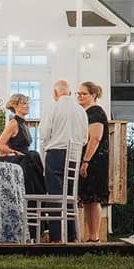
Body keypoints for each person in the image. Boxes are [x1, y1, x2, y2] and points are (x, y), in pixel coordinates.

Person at [39, 79, 85, 241]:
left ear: (55, 93)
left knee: (55, 196)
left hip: (56, 154)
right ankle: (72, 235)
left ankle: (57, 236)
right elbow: (84, 138)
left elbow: (44, 134)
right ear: (70, 92)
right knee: (70, 195)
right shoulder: (80, 110)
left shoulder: (53, 108)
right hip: (74, 156)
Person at [75, 81, 110, 242]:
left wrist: (86, 161)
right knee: (87, 198)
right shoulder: (84, 112)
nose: (80, 96)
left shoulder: (96, 112)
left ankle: (94, 235)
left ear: (93, 95)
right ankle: (89, 235)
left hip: (95, 160)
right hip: (87, 158)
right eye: (78, 93)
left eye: (84, 94)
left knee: (94, 197)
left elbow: (95, 138)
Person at [0, 92, 46, 193]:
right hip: (17, 159)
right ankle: (35, 196)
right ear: (15, 106)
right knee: (33, 156)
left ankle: (37, 197)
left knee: (34, 155)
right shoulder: (13, 123)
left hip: (24, 158)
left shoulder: (23, 124)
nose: (27, 106)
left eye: (27, 103)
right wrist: (14, 152)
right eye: (23, 104)